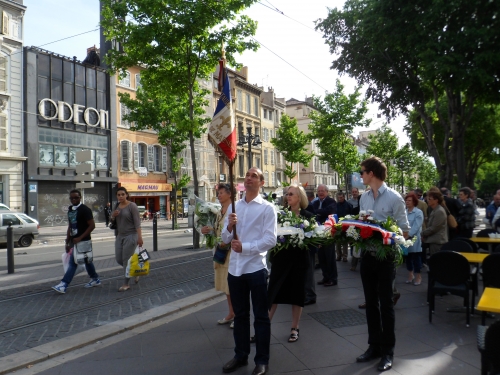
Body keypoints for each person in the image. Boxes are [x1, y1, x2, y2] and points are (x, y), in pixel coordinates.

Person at [356, 157, 409, 372]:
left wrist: (385, 235)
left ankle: (388, 351)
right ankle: (374, 346)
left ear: (372, 173)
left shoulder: (395, 198)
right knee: (371, 304)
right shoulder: (364, 198)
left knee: (386, 305)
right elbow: (361, 223)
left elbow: (405, 231)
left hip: (385, 257)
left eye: (363, 172)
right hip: (367, 256)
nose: (361, 176)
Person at [221, 167, 277, 375]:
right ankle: (240, 355)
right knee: (241, 316)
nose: (249, 178)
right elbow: (224, 240)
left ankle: (262, 360)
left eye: (254, 176)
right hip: (235, 270)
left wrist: (245, 247)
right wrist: (229, 227)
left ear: (262, 182)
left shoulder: (267, 208)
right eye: (248, 175)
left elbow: (270, 240)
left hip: (255, 268)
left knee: (261, 317)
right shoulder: (234, 207)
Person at [267, 184, 314, 343]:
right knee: (274, 293)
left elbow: (312, 239)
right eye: (287, 194)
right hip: (281, 260)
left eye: (292, 194)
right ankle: (264, 327)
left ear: (300, 197)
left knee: (297, 295)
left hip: (299, 261)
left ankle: (295, 328)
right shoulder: (281, 214)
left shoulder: (307, 216)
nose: (288, 197)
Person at [52, 190, 100, 294]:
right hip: (74, 240)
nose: (74, 200)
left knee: (73, 262)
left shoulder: (85, 210)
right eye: (72, 198)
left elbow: (92, 225)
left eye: (76, 198)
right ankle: (95, 278)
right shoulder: (70, 210)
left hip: (84, 240)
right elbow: (70, 225)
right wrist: (67, 241)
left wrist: (80, 237)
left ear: (80, 197)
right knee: (87, 260)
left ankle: (64, 284)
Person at [201, 184, 235, 326]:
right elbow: (217, 230)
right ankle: (231, 313)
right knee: (226, 286)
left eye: (221, 192)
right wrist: (208, 230)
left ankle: (238, 315)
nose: (219, 195)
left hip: (231, 252)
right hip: (221, 251)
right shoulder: (219, 211)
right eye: (218, 193)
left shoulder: (234, 210)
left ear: (229, 194)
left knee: (232, 286)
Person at [110, 187, 143, 292]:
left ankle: (126, 283)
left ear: (126, 195)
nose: (120, 196)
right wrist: (113, 216)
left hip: (131, 235)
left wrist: (140, 237)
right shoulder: (116, 206)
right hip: (120, 236)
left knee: (126, 260)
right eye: (118, 195)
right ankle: (135, 271)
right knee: (119, 259)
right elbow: (111, 221)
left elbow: (137, 223)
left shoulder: (132, 206)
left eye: (122, 194)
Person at [312, 184, 338, 287]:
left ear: (327, 192)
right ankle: (325, 277)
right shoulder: (315, 202)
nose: (320, 193)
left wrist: (317, 213)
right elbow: (312, 213)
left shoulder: (331, 201)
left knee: (330, 257)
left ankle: (332, 278)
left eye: (322, 191)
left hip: (328, 232)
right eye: (319, 191)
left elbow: (329, 211)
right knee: (321, 256)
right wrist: (319, 213)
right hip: (318, 233)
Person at [404, 192, 424, 286]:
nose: (407, 202)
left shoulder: (418, 212)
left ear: (414, 202)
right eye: (406, 200)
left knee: (416, 258)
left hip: (414, 239)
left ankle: (418, 276)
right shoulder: (404, 212)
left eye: (409, 200)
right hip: (405, 238)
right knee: (408, 258)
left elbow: (416, 226)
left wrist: (408, 235)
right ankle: (410, 275)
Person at [422, 189, 448, 255]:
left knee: (436, 261)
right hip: (434, 241)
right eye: (427, 198)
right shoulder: (435, 210)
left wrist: (422, 234)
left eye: (430, 199)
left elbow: (434, 228)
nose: (428, 200)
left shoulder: (439, 211)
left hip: (438, 242)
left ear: (436, 200)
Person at [335, 191, 353, 262]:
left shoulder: (349, 205)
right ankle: (338, 255)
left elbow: (351, 216)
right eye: (339, 198)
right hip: (338, 225)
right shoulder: (336, 205)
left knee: (345, 241)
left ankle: (345, 256)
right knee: (338, 242)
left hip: (346, 225)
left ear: (344, 197)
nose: (340, 199)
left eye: (341, 197)